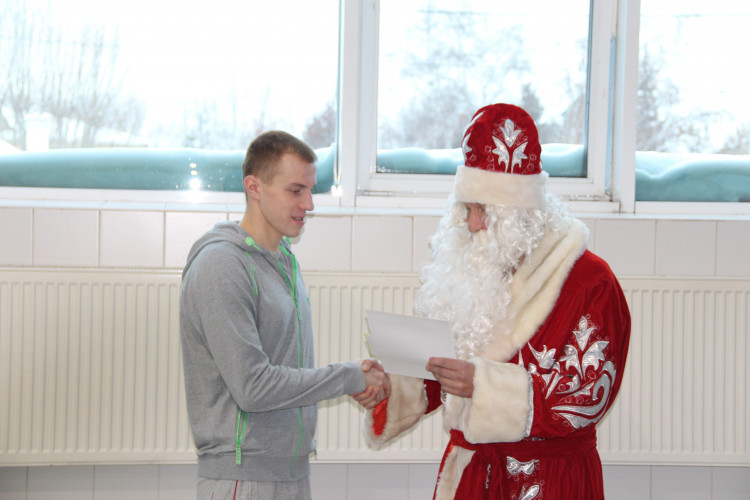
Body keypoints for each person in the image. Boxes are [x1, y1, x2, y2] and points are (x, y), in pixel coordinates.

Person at [357, 103, 631, 499]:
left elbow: (584, 398)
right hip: (473, 475)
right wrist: (390, 384)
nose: (471, 224)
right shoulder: (480, 268)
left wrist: (483, 385)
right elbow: (446, 367)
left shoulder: (591, 282)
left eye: (482, 210)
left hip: (550, 480)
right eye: (466, 209)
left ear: (517, 213)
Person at [179, 130, 385, 500]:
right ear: (254, 187)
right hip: (243, 481)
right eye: (295, 190)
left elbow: (285, 369)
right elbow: (253, 387)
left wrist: (355, 379)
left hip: (290, 473)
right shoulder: (221, 265)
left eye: (311, 190)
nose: (309, 204)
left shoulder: (285, 260)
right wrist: (348, 377)